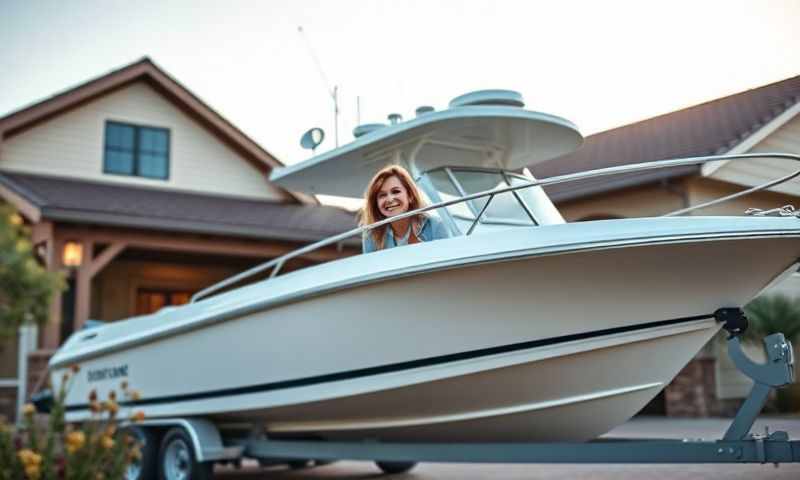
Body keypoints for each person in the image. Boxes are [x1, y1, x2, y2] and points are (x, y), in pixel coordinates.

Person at [360, 165, 451, 253]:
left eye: (396, 191)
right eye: (382, 195)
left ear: (410, 196)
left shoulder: (434, 226)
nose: (390, 199)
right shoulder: (371, 236)